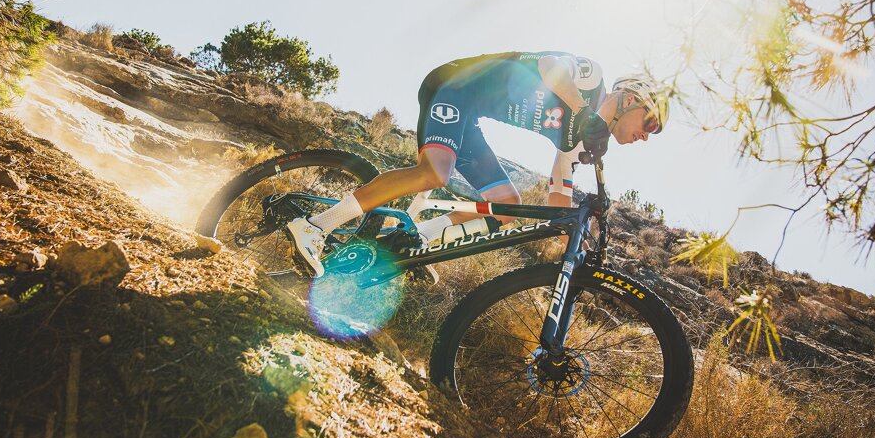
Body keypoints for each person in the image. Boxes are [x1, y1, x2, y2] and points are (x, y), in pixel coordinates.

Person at [286, 51, 670, 277]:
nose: (646, 136)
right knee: (435, 172)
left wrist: (575, 230)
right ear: (631, 98)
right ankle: (315, 226)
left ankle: (413, 241)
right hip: (454, 86)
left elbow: (558, 195)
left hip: (470, 118)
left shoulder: (578, 138)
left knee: (506, 206)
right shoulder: (592, 78)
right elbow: (550, 67)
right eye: (650, 124)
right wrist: (586, 111)